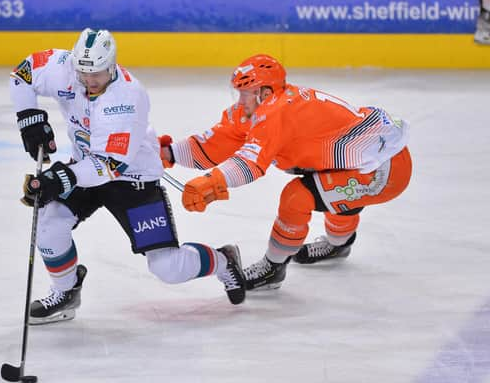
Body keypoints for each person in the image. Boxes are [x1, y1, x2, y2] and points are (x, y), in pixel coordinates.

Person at [9, 28, 246, 324]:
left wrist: (58, 179)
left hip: (132, 178)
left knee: (168, 268)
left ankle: (223, 260)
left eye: (96, 73)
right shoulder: (64, 68)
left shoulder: (128, 99)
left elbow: (109, 167)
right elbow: (23, 73)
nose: (89, 81)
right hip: (84, 168)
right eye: (83, 73)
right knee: (48, 226)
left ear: (112, 66)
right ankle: (66, 291)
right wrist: (29, 119)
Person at [159, 54, 412, 291]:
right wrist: (169, 153)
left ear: (264, 92)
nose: (240, 101)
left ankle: (273, 267)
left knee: (298, 197)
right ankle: (339, 245)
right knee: (328, 187)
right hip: (360, 164)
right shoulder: (260, 107)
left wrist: (211, 181)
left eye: (245, 94)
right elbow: (215, 144)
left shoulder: (277, 112)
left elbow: (250, 163)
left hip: (385, 171)